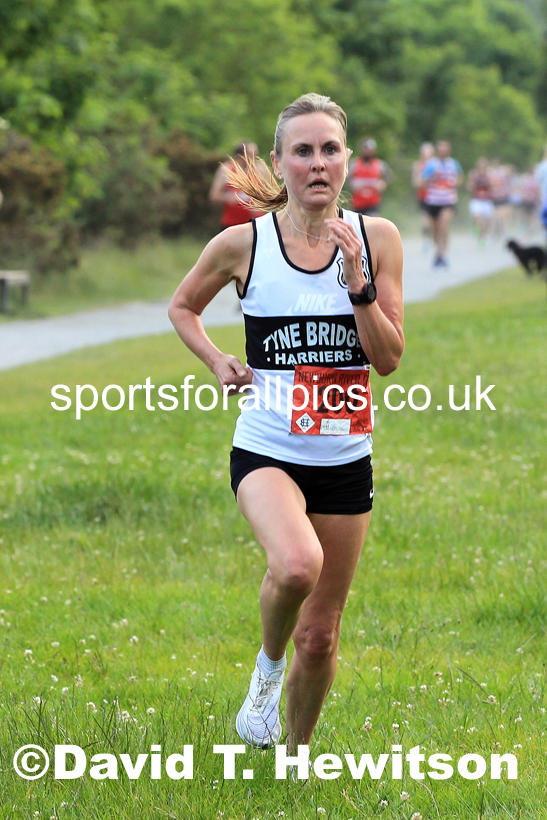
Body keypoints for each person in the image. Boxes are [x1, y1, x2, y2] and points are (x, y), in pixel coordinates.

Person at [169, 93, 404, 750]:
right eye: (302, 150)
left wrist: (357, 285)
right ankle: (265, 676)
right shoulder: (242, 244)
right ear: (280, 162)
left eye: (329, 148)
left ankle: (295, 759)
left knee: (321, 635)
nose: (317, 162)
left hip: (343, 458)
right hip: (267, 448)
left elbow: (386, 360)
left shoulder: (377, 239)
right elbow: (182, 308)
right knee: (296, 566)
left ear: (347, 159)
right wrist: (217, 360)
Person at [421, 140, 463, 267]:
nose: (442, 151)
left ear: (449, 150)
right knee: (435, 230)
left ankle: (442, 254)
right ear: (437, 150)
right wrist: (432, 176)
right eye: (440, 149)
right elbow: (422, 182)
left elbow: (460, 178)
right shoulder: (431, 164)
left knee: (444, 227)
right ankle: (437, 252)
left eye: (445, 148)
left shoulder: (454, 164)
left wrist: (456, 182)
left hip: (448, 201)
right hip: (433, 201)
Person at [208, 142, 267, 229]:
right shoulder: (227, 169)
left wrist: (260, 206)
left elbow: (269, 196)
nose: (254, 158)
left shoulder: (260, 169)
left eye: (256, 155)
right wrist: (228, 197)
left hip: (256, 224)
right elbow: (214, 196)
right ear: (241, 155)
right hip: (232, 224)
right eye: (251, 155)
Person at [348, 138, 393, 216]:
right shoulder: (354, 164)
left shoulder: (380, 165)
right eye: (365, 148)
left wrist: (383, 184)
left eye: (369, 149)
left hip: (373, 204)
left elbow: (389, 177)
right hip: (357, 204)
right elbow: (345, 178)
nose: (367, 151)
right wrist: (351, 184)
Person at [411, 142, 435, 246]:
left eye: (428, 153)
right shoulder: (417, 165)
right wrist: (423, 181)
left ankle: (434, 238)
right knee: (425, 221)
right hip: (423, 197)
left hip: (436, 198)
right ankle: (426, 238)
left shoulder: (436, 164)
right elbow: (415, 182)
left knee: (434, 222)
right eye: (424, 153)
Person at [466, 157, 494, 243]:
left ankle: (482, 236)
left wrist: (489, 182)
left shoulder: (490, 174)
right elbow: (468, 187)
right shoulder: (473, 174)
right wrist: (473, 182)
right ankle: (478, 231)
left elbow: (494, 187)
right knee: (479, 218)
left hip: (487, 200)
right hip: (477, 200)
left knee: (487, 223)